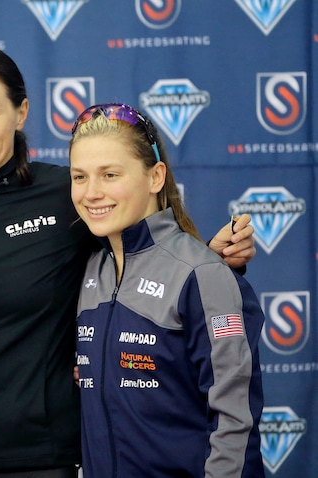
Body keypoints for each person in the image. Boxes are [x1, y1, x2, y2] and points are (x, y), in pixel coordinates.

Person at [0, 46, 256, 477]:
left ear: (21, 112)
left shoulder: (70, 192)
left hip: (44, 456)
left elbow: (142, 252)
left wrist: (208, 262)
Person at [69, 103, 265, 477]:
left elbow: (235, 420)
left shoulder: (201, 274)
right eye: (80, 177)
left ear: (155, 177)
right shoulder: (91, 270)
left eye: (110, 174)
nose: (91, 192)